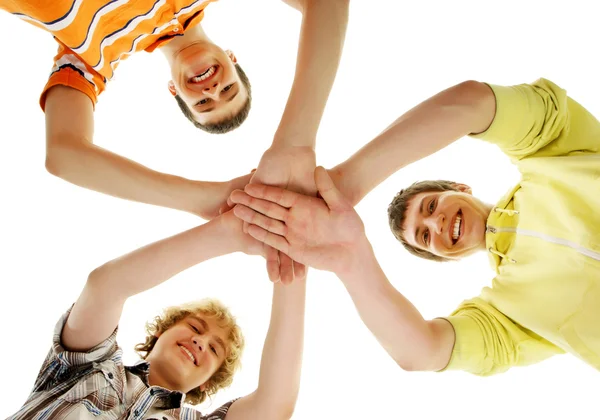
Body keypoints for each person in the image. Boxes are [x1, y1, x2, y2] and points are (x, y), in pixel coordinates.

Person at [229, 78, 600, 375]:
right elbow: (421, 352)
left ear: (460, 188)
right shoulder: (507, 313)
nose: (435, 224)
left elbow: (474, 103)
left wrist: (344, 183)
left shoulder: (549, 155)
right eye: (425, 236)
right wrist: (351, 259)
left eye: (430, 206)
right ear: (443, 257)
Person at [0, 0, 349, 231]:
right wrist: (296, 141)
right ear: (232, 57)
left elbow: (63, 156)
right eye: (228, 89)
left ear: (174, 90)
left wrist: (205, 199)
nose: (212, 91)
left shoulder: (92, 58)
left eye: (203, 105)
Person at [8, 210, 307, 419]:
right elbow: (104, 286)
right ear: (159, 334)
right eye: (195, 327)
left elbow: (275, 405)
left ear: (207, 382)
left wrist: (291, 254)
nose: (200, 342)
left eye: (214, 349)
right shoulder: (88, 365)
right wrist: (229, 232)